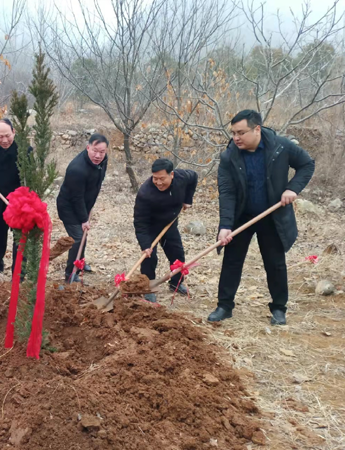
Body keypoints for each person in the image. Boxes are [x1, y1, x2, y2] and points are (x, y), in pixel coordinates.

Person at [209, 110, 315, 325]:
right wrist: (226, 225)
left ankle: (278, 308)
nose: (236, 137)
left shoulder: (281, 146)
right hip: (242, 215)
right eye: (233, 133)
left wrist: (293, 188)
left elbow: (307, 164)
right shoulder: (229, 156)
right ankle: (224, 306)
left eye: (241, 132)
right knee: (231, 261)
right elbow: (227, 192)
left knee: (275, 263)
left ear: (257, 129)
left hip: (272, 214)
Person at [134, 158, 198, 302]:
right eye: (155, 178)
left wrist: (188, 199)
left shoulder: (182, 177)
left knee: (178, 255)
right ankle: (148, 286)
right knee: (149, 258)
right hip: (150, 227)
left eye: (162, 178)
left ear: (172, 175)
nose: (158, 182)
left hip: (169, 224)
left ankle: (176, 282)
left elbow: (194, 177)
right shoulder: (145, 193)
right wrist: (145, 245)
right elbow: (140, 222)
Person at [56, 133, 108, 283]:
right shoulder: (77, 169)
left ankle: (80, 261)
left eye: (102, 152)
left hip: (83, 203)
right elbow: (76, 198)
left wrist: (90, 204)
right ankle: (70, 273)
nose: (98, 155)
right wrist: (84, 219)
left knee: (82, 236)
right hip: (69, 207)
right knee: (78, 238)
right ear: (87, 148)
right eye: (95, 151)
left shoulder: (103, 160)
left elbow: (99, 178)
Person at [0, 119, 28, 276]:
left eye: (8, 136)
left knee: (19, 232)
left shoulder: (24, 148)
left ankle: (19, 269)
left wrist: (22, 200)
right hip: (0, 192)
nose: (4, 140)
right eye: (0, 136)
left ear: (14, 132)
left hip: (19, 196)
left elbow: (28, 176)